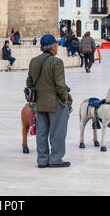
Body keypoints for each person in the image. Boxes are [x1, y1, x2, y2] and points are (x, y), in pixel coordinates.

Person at [26, 34, 71, 168]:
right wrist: (65, 100)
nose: (57, 47)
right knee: (57, 132)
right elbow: (60, 85)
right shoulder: (56, 62)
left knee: (41, 132)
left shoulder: (34, 61)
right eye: (56, 45)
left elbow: (29, 82)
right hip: (55, 102)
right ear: (52, 46)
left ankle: (42, 160)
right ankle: (56, 159)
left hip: (40, 103)